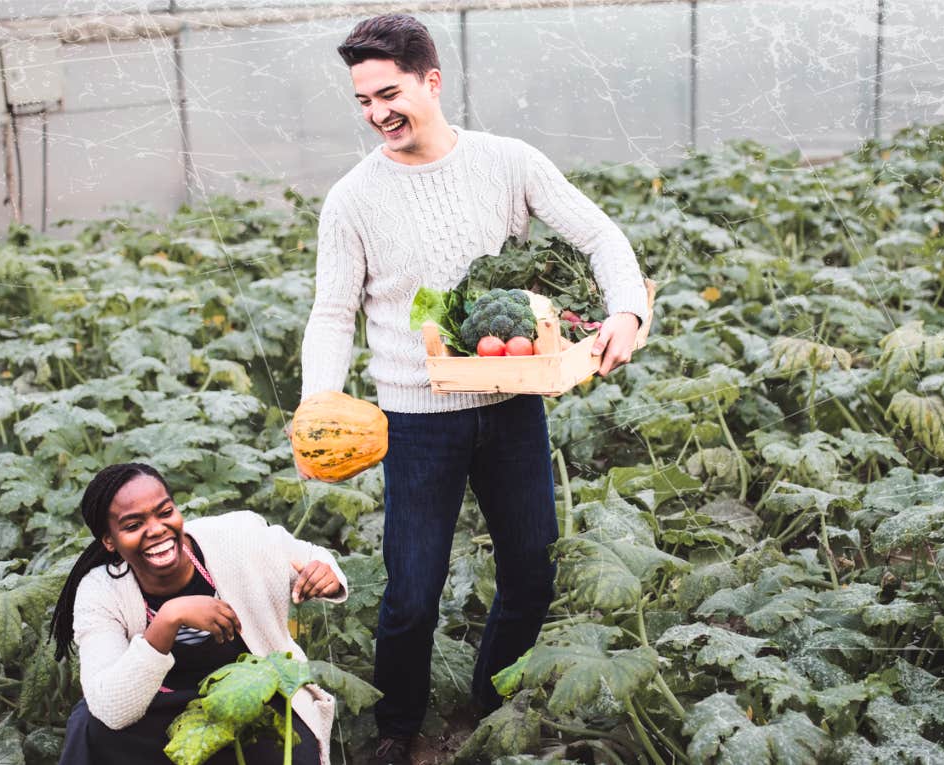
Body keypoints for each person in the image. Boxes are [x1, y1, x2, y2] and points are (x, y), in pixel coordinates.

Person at [296, 13, 650, 764]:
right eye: (362, 100)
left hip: (513, 403)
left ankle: (491, 702)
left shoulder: (507, 162)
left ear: (432, 81)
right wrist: (317, 405)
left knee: (531, 570)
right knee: (410, 595)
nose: (376, 114)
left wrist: (628, 307)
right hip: (416, 420)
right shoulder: (352, 199)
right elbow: (332, 314)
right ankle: (399, 725)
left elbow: (599, 235)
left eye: (388, 93)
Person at [49, 462, 349, 765]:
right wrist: (168, 619)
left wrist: (326, 575)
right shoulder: (101, 590)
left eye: (165, 512)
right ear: (109, 540)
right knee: (90, 725)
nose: (156, 529)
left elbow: (311, 557)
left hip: (256, 698)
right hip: (160, 711)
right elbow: (110, 706)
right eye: (132, 525)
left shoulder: (234, 539)